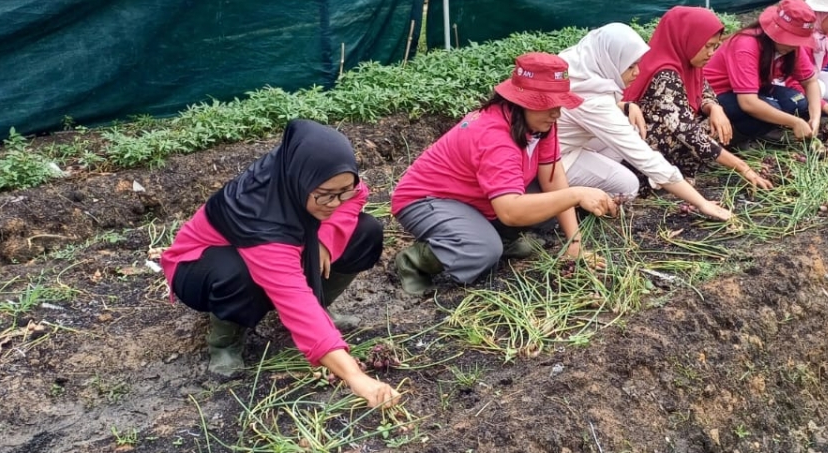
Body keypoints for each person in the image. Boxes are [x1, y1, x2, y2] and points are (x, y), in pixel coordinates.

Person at [160, 119, 399, 407]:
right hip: (198, 264)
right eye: (326, 195)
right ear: (302, 180)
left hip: (278, 246)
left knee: (365, 232)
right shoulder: (261, 219)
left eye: (343, 190)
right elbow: (293, 297)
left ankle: (321, 306)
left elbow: (356, 196)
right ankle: (225, 340)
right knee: (239, 272)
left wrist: (325, 238)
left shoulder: (313, 175)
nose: (336, 201)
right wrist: (355, 376)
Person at [390, 53, 621, 296]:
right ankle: (414, 262)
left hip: (477, 197)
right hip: (428, 200)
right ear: (522, 101)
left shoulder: (540, 124)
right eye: (549, 105)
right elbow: (511, 211)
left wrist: (575, 244)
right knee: (482, 250)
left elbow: (553, 180)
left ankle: (500, 238)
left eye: (559, 105)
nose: (557, 114)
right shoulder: (495, 136)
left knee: (549, 203)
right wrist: (575, 195)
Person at [557, 23, 733, 221]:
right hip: (557, 158)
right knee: (628, 187)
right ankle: (564, 206)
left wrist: (625, 105)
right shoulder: (595, 103)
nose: (637, 72)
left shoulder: (580, 62)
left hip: (563, 143)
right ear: (609, 62)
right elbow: (646, 158)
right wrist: (702, 203)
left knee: (629, 129)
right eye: (630, 66)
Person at [623, 6, 772, 190]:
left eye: (714, 46)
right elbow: (688, 133)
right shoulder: (665, 74)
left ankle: (683, 172)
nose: (711, 53)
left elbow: (705, 91)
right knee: (704, 131)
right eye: (707, 46)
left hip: (673, 137)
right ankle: (667, 180)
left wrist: (714, 108)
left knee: (714, 123)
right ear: (686, 39)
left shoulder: (688, 61)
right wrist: (743, 167)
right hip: (647, 152)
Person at [703, 0, 824, 141]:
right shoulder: (746, 45)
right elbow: (748, 102)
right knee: (770, 108)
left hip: (754, 91)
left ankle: (762, 129)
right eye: (791, 39)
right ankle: (738, 136)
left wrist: (815, 117)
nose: (794, 45)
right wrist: (794, 122)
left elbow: (810, 82)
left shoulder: (792, 49)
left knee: (798, 101)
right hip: (718, 94)